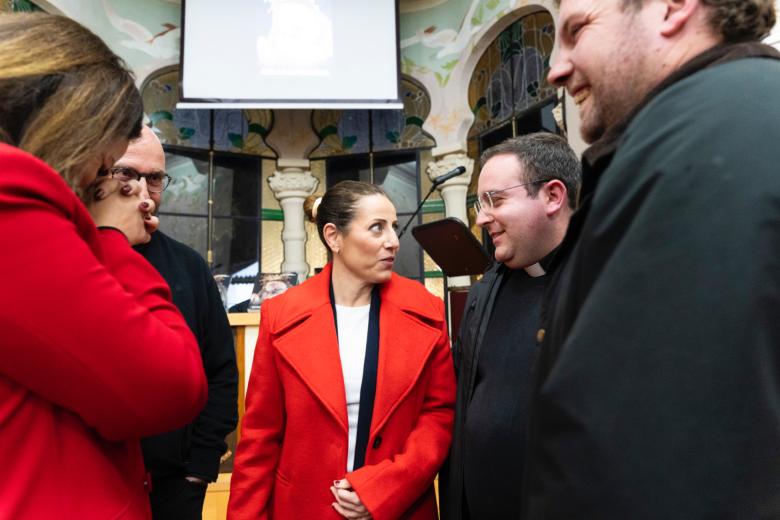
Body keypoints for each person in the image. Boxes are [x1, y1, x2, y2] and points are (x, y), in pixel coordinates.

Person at [524, 0, 780, 518]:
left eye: (578, 31)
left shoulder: (703, 147)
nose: (556, 68)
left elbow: (654, 458)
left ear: (673, 8)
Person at [0, 12, 207, 519]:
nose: (97, 181)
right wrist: (111, 237)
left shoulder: (185, 263)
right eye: (105, 164)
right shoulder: (12, 196)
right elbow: (169, 385)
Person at [228, 181, 456, 519]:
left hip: (402, 506)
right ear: (334, 237)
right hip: (304, 507)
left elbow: (439, 415)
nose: (393, 241)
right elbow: (260, 436)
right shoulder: (281, 315)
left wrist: (385, 487)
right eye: (377, 228)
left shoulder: (427, 309)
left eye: (393, 228)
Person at [439, 133, 580, 520]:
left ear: (552, 196)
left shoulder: (604, 285)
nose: (482, 218)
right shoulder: (485, 292)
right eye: (480, 203)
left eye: (495, 201)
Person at [105, 126, 239, 519]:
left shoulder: (188, 265)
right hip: (97, 477)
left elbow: (220, 371)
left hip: (175, 482)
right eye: (127, 174)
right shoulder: (76, 255)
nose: (144, 193)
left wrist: (199, 466)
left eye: (155, 178)